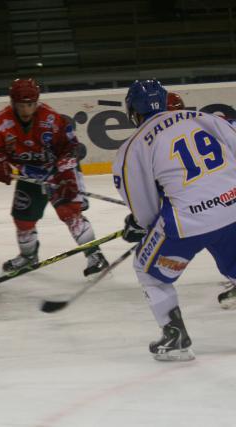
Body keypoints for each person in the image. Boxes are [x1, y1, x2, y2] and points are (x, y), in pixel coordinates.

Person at [113, 79, 236, 361]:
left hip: (188, 222)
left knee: (147, 269)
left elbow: (143, 206)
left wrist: (140, 226)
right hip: (233, 206)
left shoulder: (133, 146)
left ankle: (175, 337)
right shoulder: (204, 118)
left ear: (133, 111)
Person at [0, 78, 109, 276]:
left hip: (57, 171)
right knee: (23, 219)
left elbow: (71, 147)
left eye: (30, 104)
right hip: (29, 175)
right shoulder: (0, 123)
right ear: (13, 102)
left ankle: (95, 255)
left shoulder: (50, 119)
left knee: (70, 213)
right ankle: (28, 256)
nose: (26, 110)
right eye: (21, 105)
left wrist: (66, 175)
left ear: (36, 102)